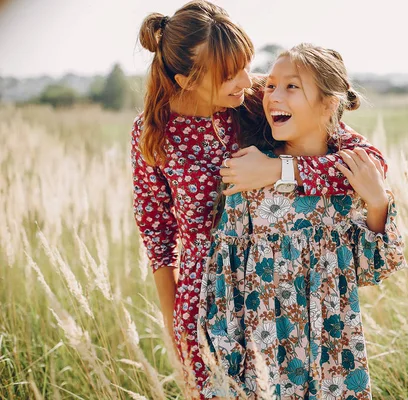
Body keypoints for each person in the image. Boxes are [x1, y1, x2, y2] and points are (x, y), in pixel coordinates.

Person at [131, 1, 387, 396]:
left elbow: (370, 163)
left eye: (245, 65)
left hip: (276, 294)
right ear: (185, 80)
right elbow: (158, 239)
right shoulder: (153, 134)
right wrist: (177, 331)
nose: (245, 80)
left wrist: (280, 171)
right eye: (228, 74)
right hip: (203, 306)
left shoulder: (257, 102)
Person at [199, 43, 406, 399]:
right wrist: (226, 372)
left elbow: (372, 267)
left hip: (334, 357)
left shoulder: (347, 176)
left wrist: (377, 201)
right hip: (263, 361)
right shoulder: (250, 173)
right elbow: (225, 277)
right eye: (271, 85)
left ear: (328, 104)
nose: (274, 96)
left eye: (292, 86)